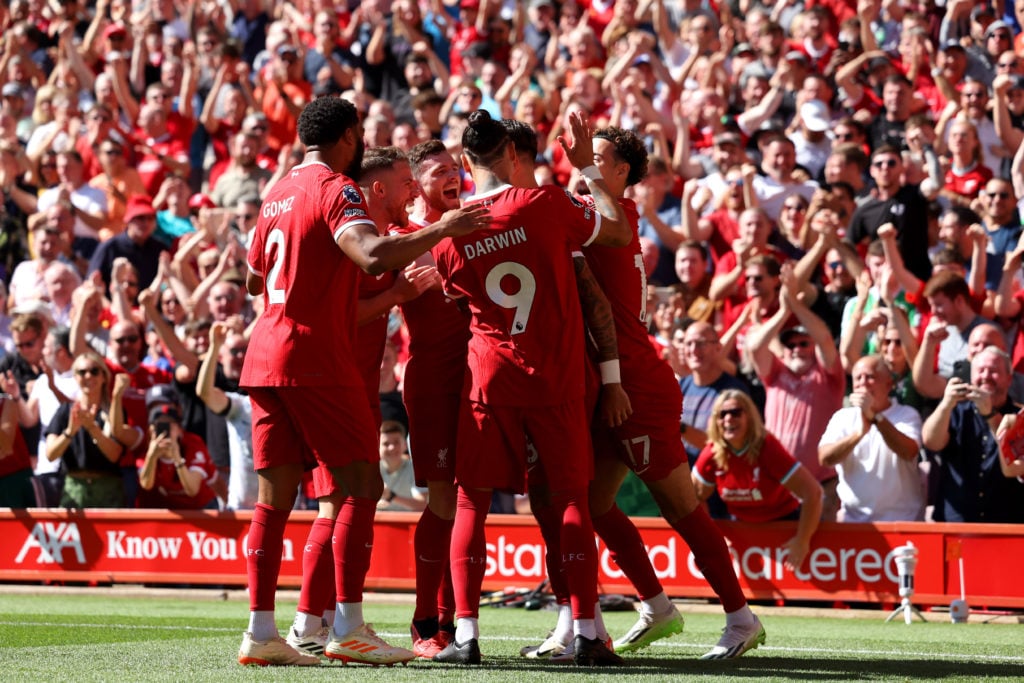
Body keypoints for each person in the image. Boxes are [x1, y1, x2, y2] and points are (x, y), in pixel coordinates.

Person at [236, 95, 487, 667]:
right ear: (350, 134)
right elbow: (371, 254)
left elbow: (254, 279)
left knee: (274, 501)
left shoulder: (276, 192)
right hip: (315, 360)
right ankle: (347, 626)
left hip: (264, 356)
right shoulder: (336, 189)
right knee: (360, 486)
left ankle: (262, 630)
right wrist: (441, 229)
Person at [430, 109, 630, 666]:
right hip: (556, 375)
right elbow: (615, 227)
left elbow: (457, 296)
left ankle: (466, 637)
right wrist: (587, 167)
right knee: (569, 500)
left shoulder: (449, 231)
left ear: (468, 163)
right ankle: (589, 631)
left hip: (489, 377)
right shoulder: (543, 203)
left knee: (472, 500)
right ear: (513, 156)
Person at [572, 127, 765, 660]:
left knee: (681, 508)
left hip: (636, 385)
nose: (586, 163)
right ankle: (656, 605)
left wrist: (578, 170)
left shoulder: (615, 218)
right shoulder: (607, 214)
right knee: (593, 505)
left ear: (620, 176)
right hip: (615, 381)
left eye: (599, 159)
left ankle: (741, 617)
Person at [693, 390, 823, 570]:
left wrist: (802, 540)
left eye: (736, 412)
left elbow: (813, 493)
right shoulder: (712, 453)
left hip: (784, 525)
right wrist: (710, 538)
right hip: (740, 529)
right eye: (722, 414)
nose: (729, 419)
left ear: (750, 417)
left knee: (798, 598)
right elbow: (692, 498)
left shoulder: (767, 447)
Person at [921, 346, 1024, 523]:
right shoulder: (954, 411)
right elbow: (931, 442)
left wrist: (990, 415)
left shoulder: (1018, 416)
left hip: (1007, 527)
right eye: (980, 371)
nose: (985, 376)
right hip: (956, 524)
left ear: (1009, 378)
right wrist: (945, 405)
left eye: (993, 371)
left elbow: (1013, 466)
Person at [818, 355, 925, 522]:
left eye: (870, 377)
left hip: (902, 521)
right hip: (853, 523)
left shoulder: (907, 415)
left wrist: (876, 417)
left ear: (889, 384)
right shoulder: (842, 418)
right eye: (858, 378)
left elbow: (908, 451)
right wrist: (858, 435)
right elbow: (825, 458)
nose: (863, 383)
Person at [43, 352, 136, 508]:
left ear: (104, 376)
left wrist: (92, 428)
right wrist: (70, 432)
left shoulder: (114, 412)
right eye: (81, 372)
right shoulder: (65, 411)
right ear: (75, 377)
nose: (88, 376)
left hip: (108, 490)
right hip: (73, 488)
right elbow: (51, 454)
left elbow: (114, 455)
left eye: (94, 371)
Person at [196, 322, 257, 511]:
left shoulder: (287, 404)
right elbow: (204, 392)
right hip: (242, 508)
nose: (240, 356)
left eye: (244, 350)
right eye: (234, 351)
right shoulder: (241, 406)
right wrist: (214, 346)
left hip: (288, 509)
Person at [137, 385, 221, 510]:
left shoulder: (192, 443)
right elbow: (146, 484)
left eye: (169, 425)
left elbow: (193, 489)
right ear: (150, 429)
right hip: (174, 511)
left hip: (202, 508)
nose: (165, 431)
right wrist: (152, 456)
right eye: (159, 426)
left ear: (179, 427)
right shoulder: (147, 448)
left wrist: (177, 458)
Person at [376, 421, 427, 512]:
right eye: (386, 444)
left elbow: (422, 505)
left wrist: (390, 496)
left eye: (396, 442)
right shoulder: (371, 469)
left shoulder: (415, 469)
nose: (392, 447)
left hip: (408, 523)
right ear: (378, 446)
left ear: (405, 445)